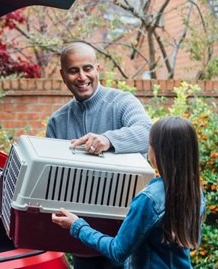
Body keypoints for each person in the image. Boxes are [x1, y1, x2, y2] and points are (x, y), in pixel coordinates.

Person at [46, 41, 152, 268]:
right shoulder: (57, 122)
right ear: (63, 75)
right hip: (81, 241)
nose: (82, 77)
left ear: (98, 68)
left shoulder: (123, 102)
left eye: (87, 68)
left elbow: (148, 133)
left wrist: (109, 140)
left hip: (125, 238)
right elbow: (53, 180)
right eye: (73, 71)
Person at [52, 117, 205, 268]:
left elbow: (118, 251)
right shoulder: (195, 193)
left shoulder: (149, 199)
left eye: (150, 144)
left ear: (159, 152)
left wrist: (77, 226)